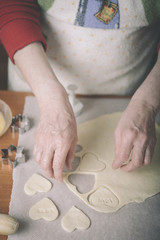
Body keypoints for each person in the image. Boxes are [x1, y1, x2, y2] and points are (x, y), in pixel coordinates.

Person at [0, 0, 160, 182]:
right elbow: (12, 6)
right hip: (36, 82)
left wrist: (147, 103)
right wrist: (51, 98)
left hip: (129, 92)